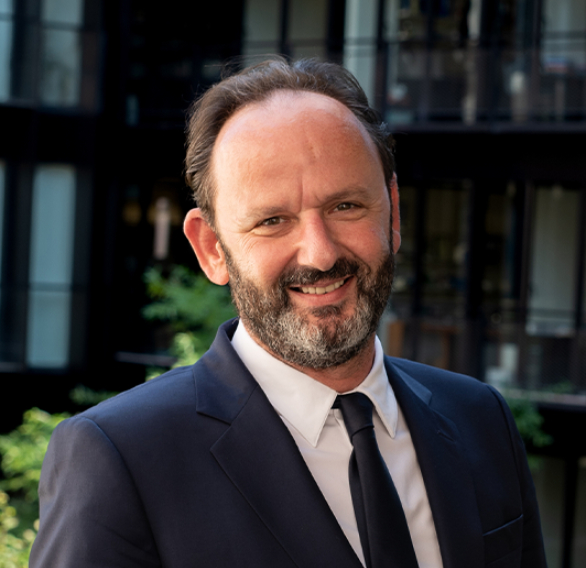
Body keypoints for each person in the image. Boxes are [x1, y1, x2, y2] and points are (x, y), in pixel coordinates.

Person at [30, 58, 547, 568]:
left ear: (392, 211)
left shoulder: (481, 419)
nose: (320, 254)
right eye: (273, 220)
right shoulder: (122, 458)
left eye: (345, 206)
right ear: (211, 249)